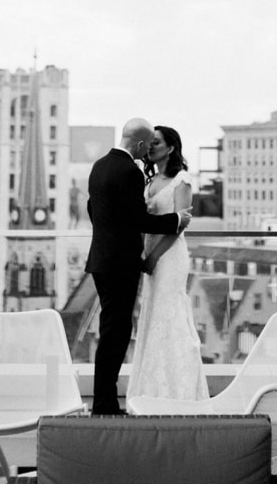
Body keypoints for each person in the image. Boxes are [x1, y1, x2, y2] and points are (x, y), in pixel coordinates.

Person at [86, 117, 189, 415]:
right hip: (120, 264)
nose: (147, 152)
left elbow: (94, 210)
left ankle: (103, 399)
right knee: (116, 333)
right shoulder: (129, 172)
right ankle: (104, 403)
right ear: (141, 144)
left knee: (111, 330)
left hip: (100, 259)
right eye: (147, 145)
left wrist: (109, 233)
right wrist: (177, 220)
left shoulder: (100, 165)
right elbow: (139, 221)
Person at [128, 125, 210, 404]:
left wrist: (153, 257)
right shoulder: (149, 182)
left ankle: (179, 390)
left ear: (171, 148)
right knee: (152, 315)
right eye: (150, 142)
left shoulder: (182, 180)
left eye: (157, 143)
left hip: (170, 256)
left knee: (170, 313)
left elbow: (178, 226)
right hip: (149, 256)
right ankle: (153, 388)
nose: (151, 147)